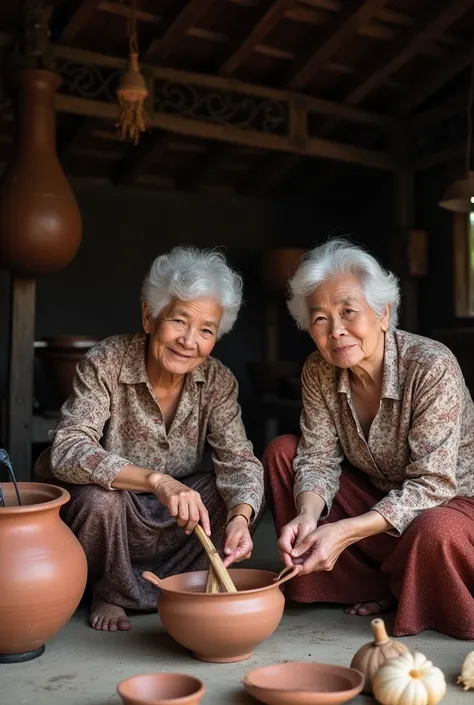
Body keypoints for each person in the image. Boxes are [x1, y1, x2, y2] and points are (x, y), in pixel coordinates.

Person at [35, 246, 264, 632]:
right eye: (179, 320)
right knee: (99, 500)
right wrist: (157, 481)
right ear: (149, 316)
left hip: (173, 519)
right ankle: (110, 590)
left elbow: (239, 461)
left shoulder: (218, 381)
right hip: (114, 514)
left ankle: (179, 585)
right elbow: (69, 449)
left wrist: (241, 518)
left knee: (235, 496)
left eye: (206, 330)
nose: (189, 340)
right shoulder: (106, 361)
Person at [264, 238, 474, 639]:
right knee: (283, 452)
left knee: (435, 529)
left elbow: (433, 485)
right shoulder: (318, 370)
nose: (336, 330)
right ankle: (376, 585)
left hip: (452, 505)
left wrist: (343, 531)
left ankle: (406, 590)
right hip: (378, 500)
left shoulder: (430, 365)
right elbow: (316, 459)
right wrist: (308, 515)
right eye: (320, 318)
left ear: (383, 313)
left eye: (348, 311)